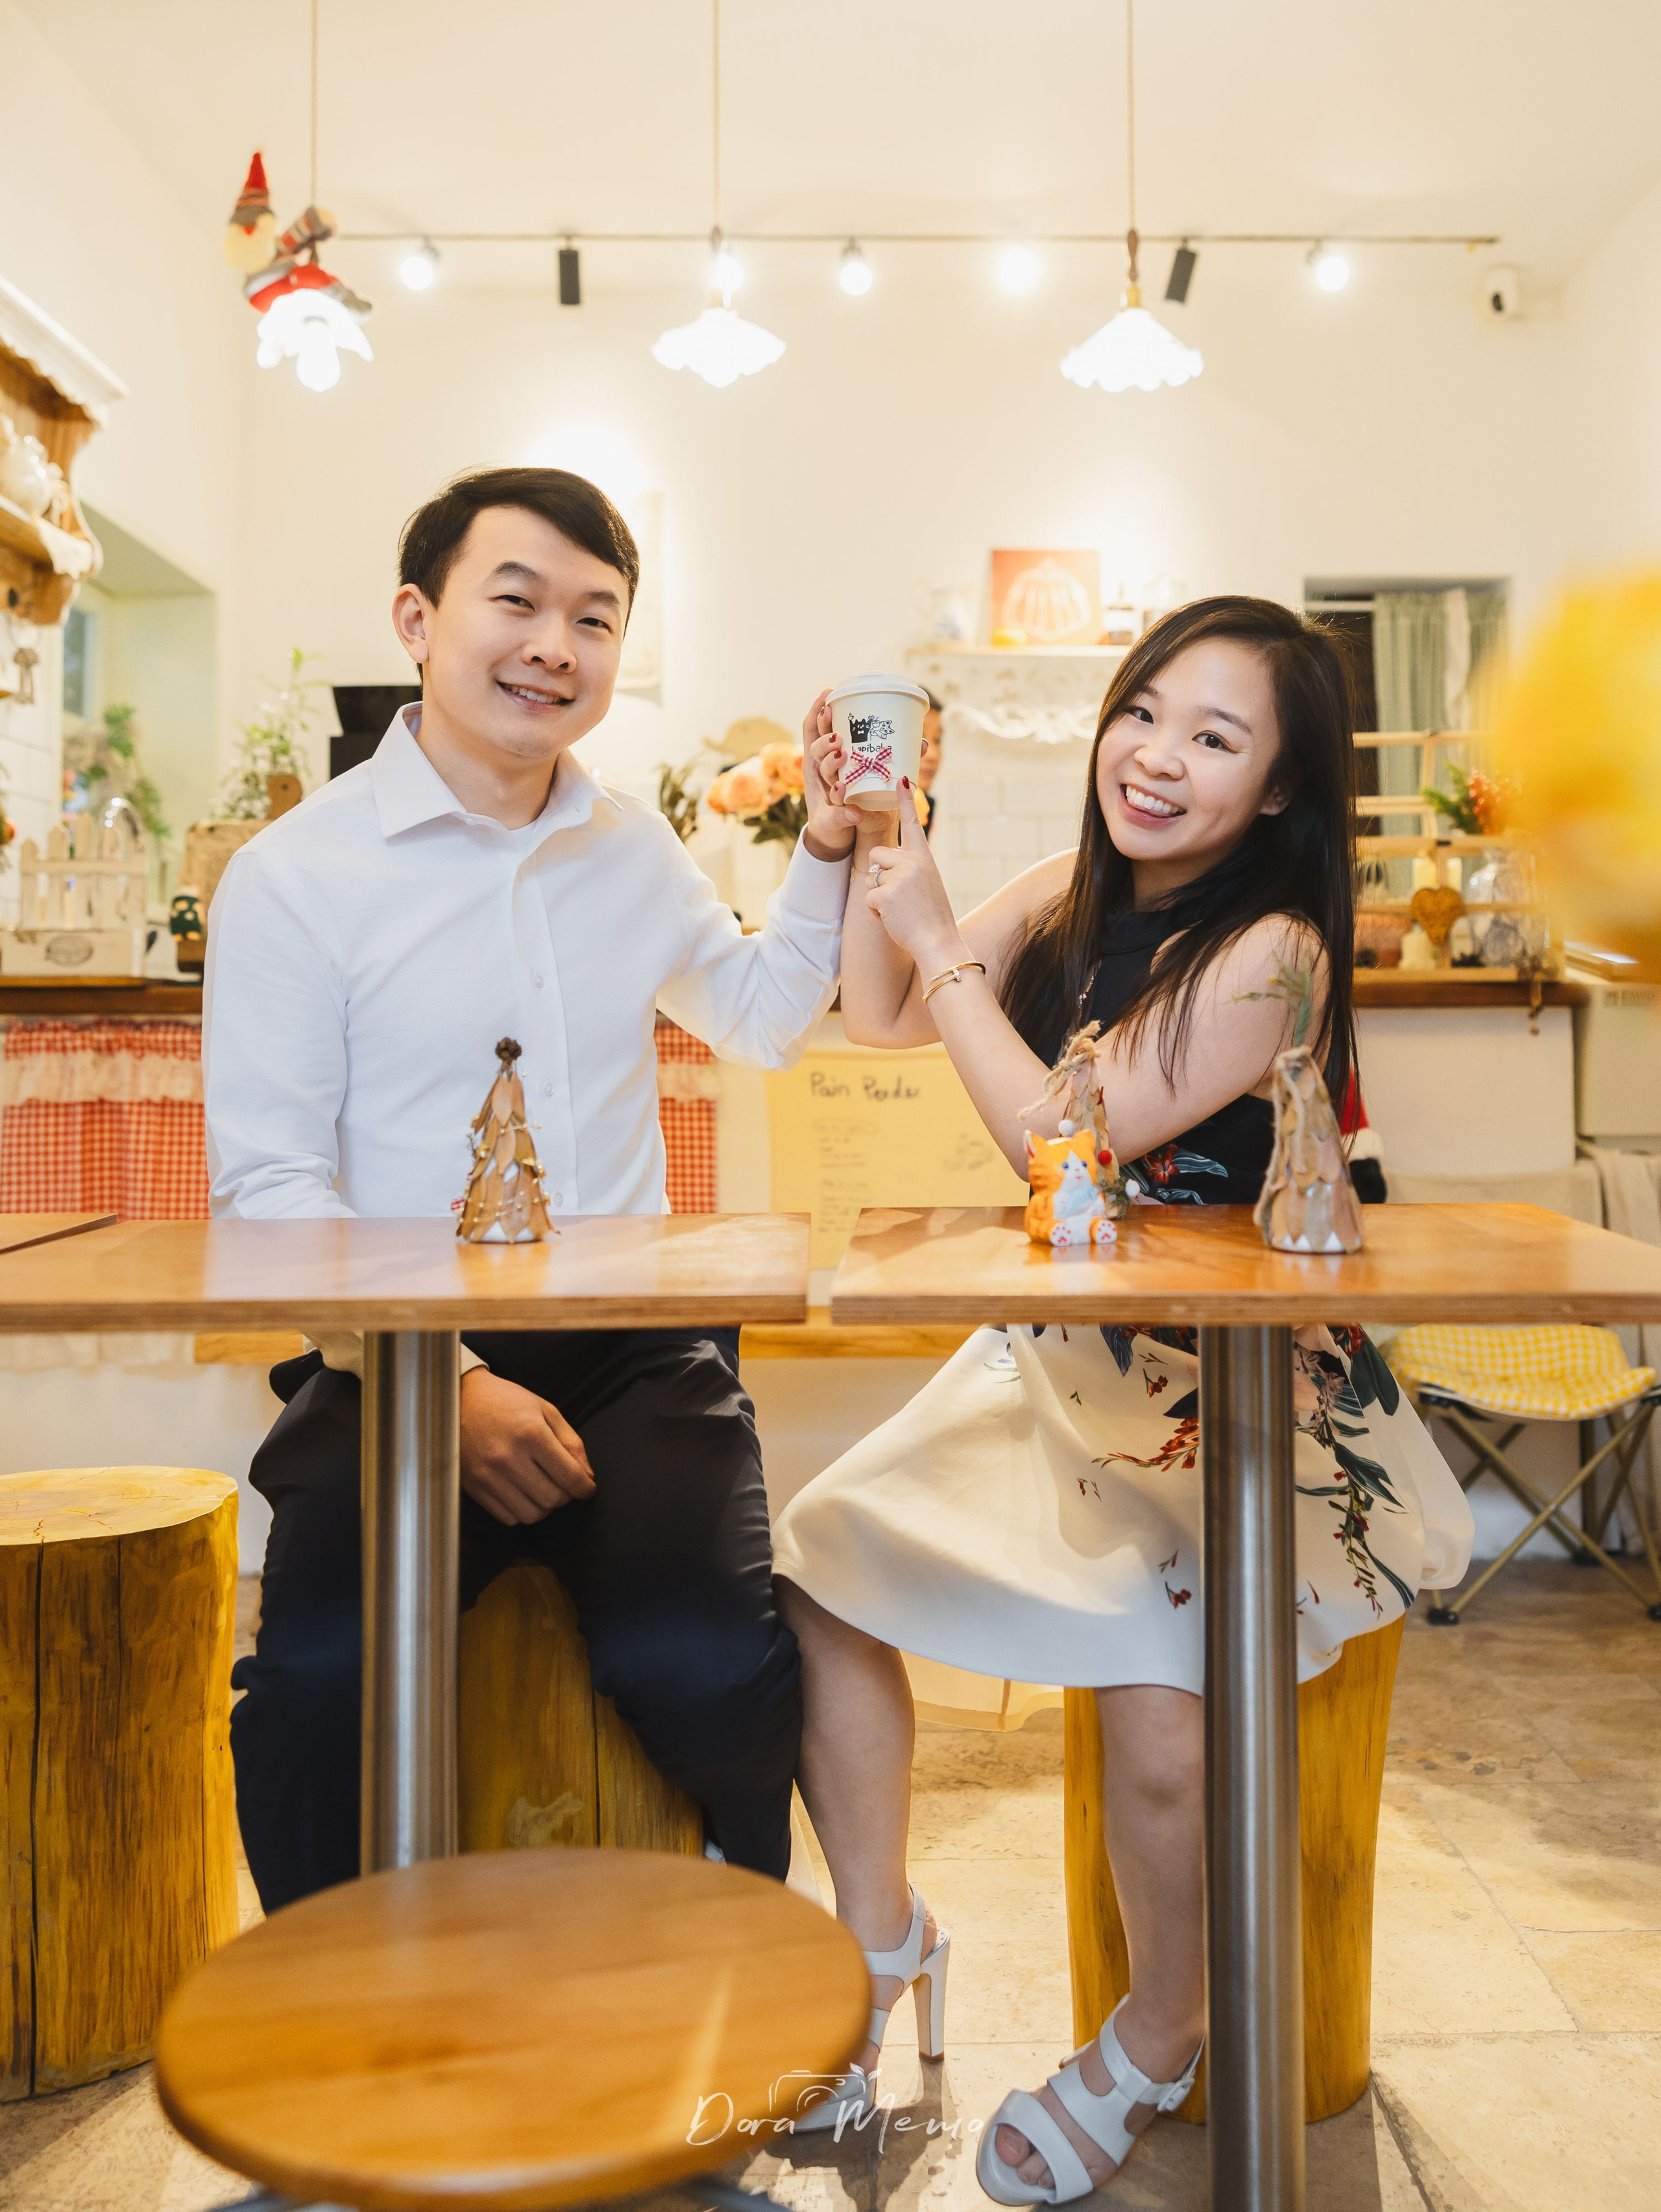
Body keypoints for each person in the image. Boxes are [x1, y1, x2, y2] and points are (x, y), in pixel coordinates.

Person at [773, 597, 1472, 2192]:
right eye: (1143, 712)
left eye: (1213, 739)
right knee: (816, 1571)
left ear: (1280, 791)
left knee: (1158, 1723)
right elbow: (879, 1017)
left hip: (1223, 1392)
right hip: (1051, 1359)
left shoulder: (1274, 953)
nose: (1153, 758)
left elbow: (1062, 1147)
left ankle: (1158, 2033)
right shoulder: (1059, 891)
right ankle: (881, 1937)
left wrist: (945, 931)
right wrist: (867, 832)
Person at [206, 466, 856, 1910]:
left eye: (594, 618)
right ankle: (327, 2034)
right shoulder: (295, 876)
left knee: (710, 1663)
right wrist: (443, 1385)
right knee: (310, 1680)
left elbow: (753, 1015)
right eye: (517, 600)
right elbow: (271, 1188)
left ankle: (745, 1977)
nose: (553, 646)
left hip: (639, 1347)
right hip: (386, 1362)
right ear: (417, 619)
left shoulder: (627, 843)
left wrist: (820, 845)